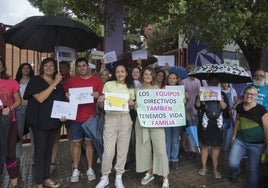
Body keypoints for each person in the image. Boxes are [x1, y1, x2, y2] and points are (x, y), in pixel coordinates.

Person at [24, 57, 65, 188]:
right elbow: (40, 98)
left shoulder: (59, 83)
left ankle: (46, 177)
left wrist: (64, 114)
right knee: (40, 152)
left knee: (48, 151)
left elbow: (62, 102)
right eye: (46, 65)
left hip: (53, 122)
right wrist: (54, 84)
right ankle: (39, 182)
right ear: (42, 67)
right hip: (40, 123)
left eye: (52, 66)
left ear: (55, 68)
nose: (49, 68)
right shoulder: (35, 81)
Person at [95, 63, 135, 188]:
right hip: (110, 119)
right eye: (118, 71)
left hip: (125, 119)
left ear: (126, 73)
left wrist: (132, 103)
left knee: (123, 150)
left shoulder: (130, 87)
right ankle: (105, 176)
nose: (120, 74)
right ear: (115, 73)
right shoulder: (108, 85)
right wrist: (100, 102)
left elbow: (132, 107)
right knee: (108, 151)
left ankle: (119, 176)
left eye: (122, 71)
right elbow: (102, 106)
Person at [66, 57, 103, 183]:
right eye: (79, 66)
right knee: (77, 143)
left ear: (88, 67)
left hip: (90, 119)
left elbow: (102, 98)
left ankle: (90, 168)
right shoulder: (71, 81)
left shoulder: (96, 81)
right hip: (75, 117)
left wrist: (98, 96)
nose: (82, 68)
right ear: (77, 68)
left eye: (84, 65)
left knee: (89, 144)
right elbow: (67, 98)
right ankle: (76, 169)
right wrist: (67, 96)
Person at [135, 66, 169, 188]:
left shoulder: (156, 89)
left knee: (160, 149)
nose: (148, 76)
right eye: (146, 74)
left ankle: (165, 176)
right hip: (142, 123)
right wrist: (134, 106)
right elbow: (135, 106)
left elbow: (166, 104)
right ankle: (149, 173)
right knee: (144, 149)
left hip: (156, 123)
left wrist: (180, 100)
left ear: (153, 76)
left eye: (150, 74)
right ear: (142, 76)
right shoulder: (137, 90)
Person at [229, 85, 268, 188]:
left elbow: (266, 128)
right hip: (240, 141)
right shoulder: (240, 107)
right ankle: (236, 171)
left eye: (252, 94)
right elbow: (237, 120)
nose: (249, 96)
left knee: (253, 170)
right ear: (244, 94)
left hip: (257, 145)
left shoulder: (261, 110)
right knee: (232, 162)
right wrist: (234, 135)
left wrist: (267, 146)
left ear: (256, 96)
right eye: (247, 93)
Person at [195, 75, 229, 179]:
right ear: (208, 83)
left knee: (216, 147)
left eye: (215, 82)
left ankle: (215, 169)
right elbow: (197, 106)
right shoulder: (203, 92)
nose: (213, 84)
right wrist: (199, 97)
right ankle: (204, 167)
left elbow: (226, 109)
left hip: (217, 125)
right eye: (212, 82)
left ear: (218, 83)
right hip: (205, 124)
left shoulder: (222, 93)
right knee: (204, 146)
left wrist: (220, 100)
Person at [0, 57, 22, 188]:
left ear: (3, 67)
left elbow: (18, 101)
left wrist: (10, 108)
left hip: (9, 122)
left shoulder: (11, 82)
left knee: (10, 152)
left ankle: (14, 184)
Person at [50, 61, 72, 173]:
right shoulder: (53, 80)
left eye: (65, 67)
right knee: (55, 137)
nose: (62, 69)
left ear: (68, 68)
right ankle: (52, 162)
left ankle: (74, 161)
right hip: (57, 110)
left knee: (71, 136)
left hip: (69, 109)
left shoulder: (72, 79)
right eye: (61, 67)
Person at [181, 64, 201, 159]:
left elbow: (200, 94)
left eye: (193, 69)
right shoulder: (183, 81)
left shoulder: (198, 81)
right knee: (188, 129)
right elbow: (181, 94)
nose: (191, 71)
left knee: (194, 128)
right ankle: (190, 149)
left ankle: (194, 149)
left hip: (195, 108)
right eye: (189, 69)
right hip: (185, 107)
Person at [165, 72, 184, 170]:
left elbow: (183, 105)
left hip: (177, 118)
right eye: (170, 78)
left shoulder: (181, 91)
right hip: (167, 118)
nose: (172, 80)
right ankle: (167, 159)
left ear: (177, 80)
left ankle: (174, 159)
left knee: (176, 140)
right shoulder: (163, 90)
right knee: (167, 140)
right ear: (167, 80)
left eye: (174, 78)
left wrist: (185, 99)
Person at [15, 63, 34, 159]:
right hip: (20, 109)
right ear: (20, 70)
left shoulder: (34, 81)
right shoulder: (16, 81)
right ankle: (17, 155)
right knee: (18, 132)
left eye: (28, 68)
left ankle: (34, 154)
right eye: (24, 68)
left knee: (34, 132)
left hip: (32, 108)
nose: (26, 70)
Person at [221, 82, 237, 158]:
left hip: (230, 114)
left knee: (229, 132)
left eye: (225, 83)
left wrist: (233, 109)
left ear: (228, 84)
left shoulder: (232, 90)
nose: (224, 84)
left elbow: (236, 101)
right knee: (223, 132)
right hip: (222, 114)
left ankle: (226, 150)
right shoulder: (219, 91)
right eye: (222, 83)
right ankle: (224, 148)